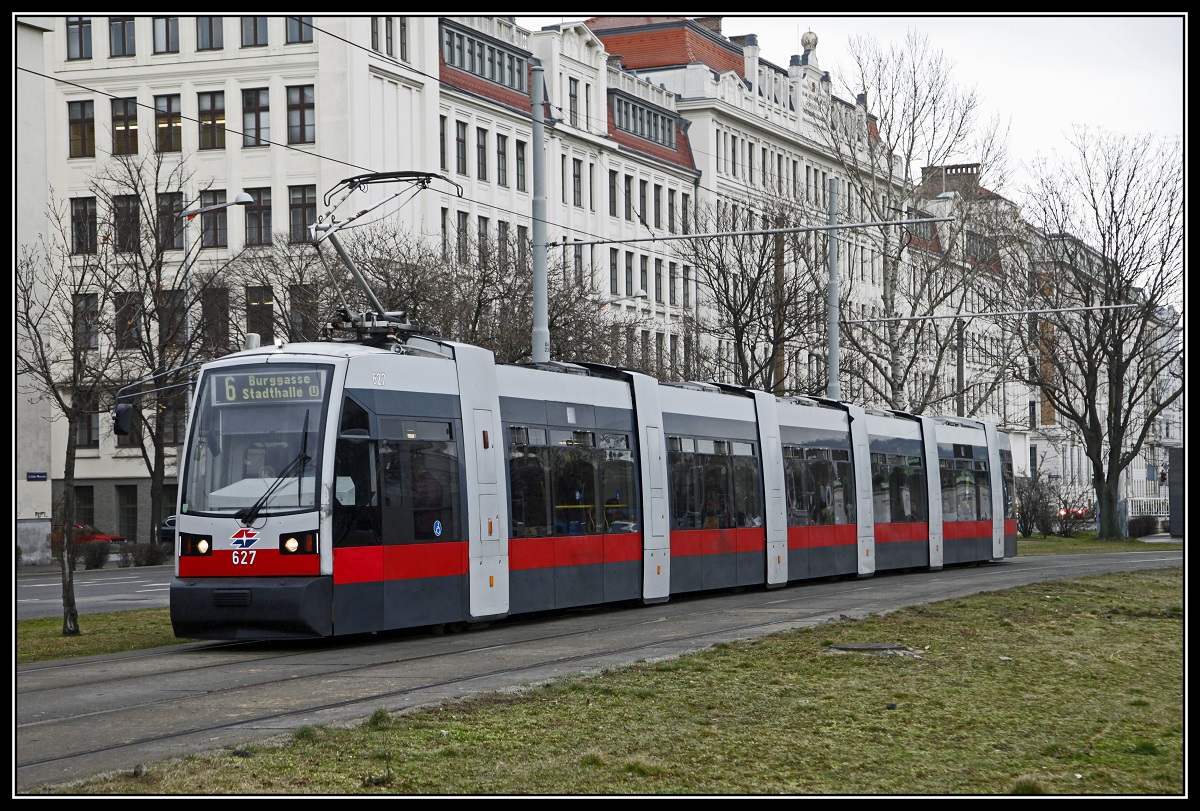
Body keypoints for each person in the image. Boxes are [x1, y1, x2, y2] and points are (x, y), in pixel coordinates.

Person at [412, 461, 444, 539]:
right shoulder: (436, 483)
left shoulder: (418, 484)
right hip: (435, 524)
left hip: (421, 526)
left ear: (416, 470)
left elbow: (415, 504)